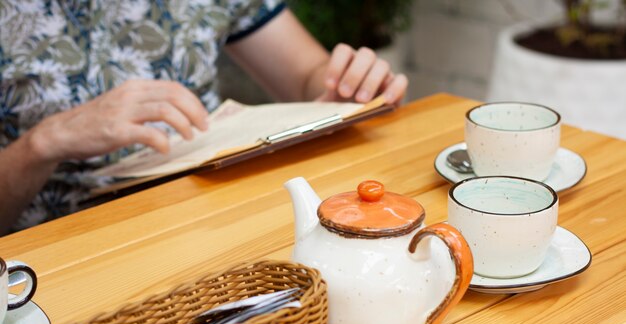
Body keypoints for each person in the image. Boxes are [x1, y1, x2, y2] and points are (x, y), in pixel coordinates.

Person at [0, 1, 408, 235]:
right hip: (57, 250)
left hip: (212, 216)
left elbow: (304, 76)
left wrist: (346, 85)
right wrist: (43, 142)